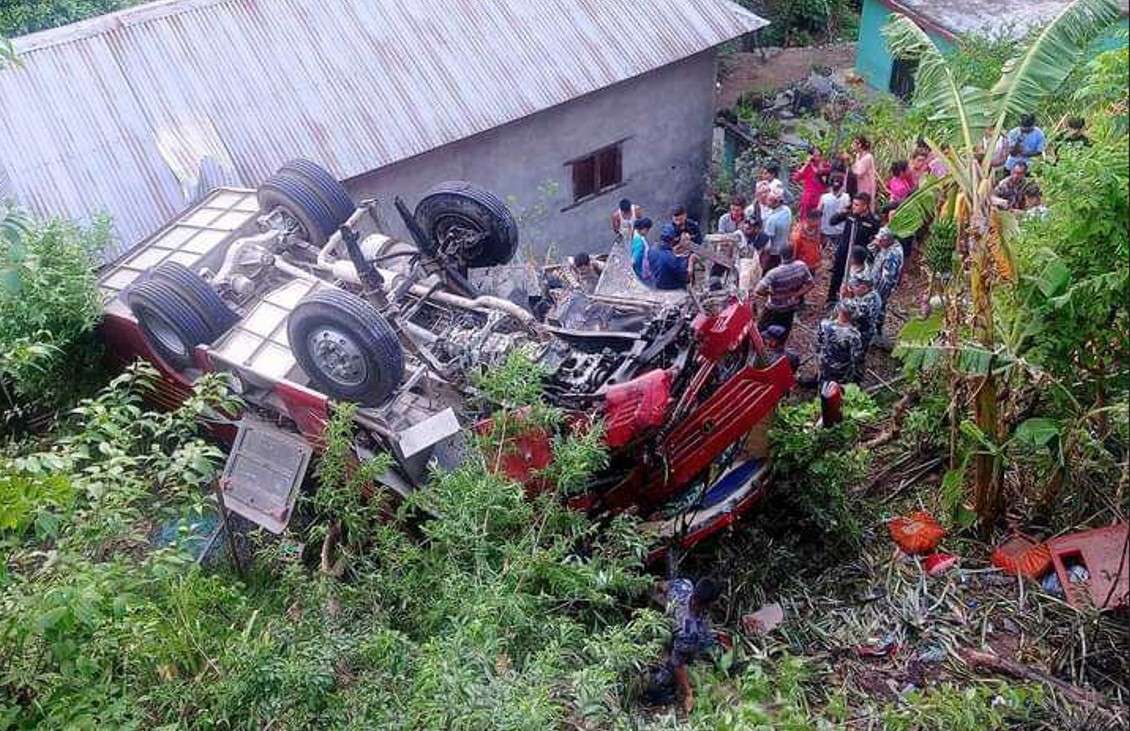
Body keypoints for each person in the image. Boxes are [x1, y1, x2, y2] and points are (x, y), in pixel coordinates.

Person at [651, 577, 723, 713]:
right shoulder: (689, 630)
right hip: (670, 639)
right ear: (708, 604)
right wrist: (688, 693)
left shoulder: (683, 586)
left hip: (668, 629)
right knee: (661, 683)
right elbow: (678, 664)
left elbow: (660, 586)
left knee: (709, 644)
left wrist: (655, 604)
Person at [826, 192, 880, 306]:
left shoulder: (873, 221)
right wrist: (842, 212)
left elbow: (875, 241)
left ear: (865, 206)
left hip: (858, 256)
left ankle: (850, 303)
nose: (853, 207)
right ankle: (831, 298)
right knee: (837, 274)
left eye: (857, 205)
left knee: (855, 279)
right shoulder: (849, 214)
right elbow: (832, 221)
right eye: (853, 204)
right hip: (844, 250)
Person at [753, 243, 814, 341]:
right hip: (791, 305)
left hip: (774, 307)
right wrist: (797, 294)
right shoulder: (801, 266)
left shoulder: (774, 273)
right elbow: (811, 284)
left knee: (761, 329)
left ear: (780, 255)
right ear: (793, 254)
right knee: (785, 328)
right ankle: (780, 345)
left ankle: (761, 346)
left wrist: (770, 293)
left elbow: (758, 290)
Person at [869, 227, 904, 348]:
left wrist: (877, 294)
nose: (877, 242)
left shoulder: (892, 255)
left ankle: (875, 332)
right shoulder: (886, 246)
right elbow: (872, 250)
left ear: (887, 240)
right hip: (876, 282)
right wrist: (876, 244)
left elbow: (887, 279)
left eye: (880, 240)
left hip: (881, 288)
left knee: (878, 307)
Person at [816, 302, 863, 384]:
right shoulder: (853, 334)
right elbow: (855, 356)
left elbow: (818, 343)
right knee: (835, 385)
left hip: (824, 361)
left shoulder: (824, 324)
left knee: (823, 379)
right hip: (840, 368)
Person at [841, 272, 882, 352]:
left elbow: (849, 310)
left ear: (864, 288)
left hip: (863, 332)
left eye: (855, 286)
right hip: (861, 328)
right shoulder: (868, 293)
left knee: (857, 353)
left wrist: (844, 297)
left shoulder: (869, 301)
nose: (852, 288)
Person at [649, 226, 695, 290]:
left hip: (657, 286)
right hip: (672, 290)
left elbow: (663, 256)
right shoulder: (673, 259)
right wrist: (691, 261)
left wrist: (673, 250)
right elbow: (686, 277)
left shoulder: (652, 250)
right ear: (674, 239)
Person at [760, 192, 792, 272]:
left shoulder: (772, 220)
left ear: (774, 203)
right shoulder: (787, 210)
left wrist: (762, 264)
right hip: (784, 248)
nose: (765, 201)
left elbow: (768, 244)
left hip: (773, 253)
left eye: (767, 200)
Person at [792, 149, 828, 220]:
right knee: (804, 220)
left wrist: (820, 165)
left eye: (819, 155)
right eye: (815, 156)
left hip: (819, 199)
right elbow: (796, 178)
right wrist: (806, 164)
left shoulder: (825, 166)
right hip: (807, 199)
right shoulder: (807, 167)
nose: (817, 158)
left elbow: (825, 178)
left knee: (817, 220)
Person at [818, 175, 850, 251]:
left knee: (825, 253)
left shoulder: (824, 197)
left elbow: (818, 212)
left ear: (830, 186)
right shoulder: (847, 197)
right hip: (840, 232)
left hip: (826, 231)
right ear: (842, 186)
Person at [790, 208, 823, 275]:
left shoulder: (816, 230)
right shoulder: (798, 236)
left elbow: (817, 246)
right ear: (808, 219)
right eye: (816, 220)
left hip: (813, 266)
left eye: (819, 220)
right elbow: (794, 254)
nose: (819, 222)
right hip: (801, 268)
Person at [851, 136, 877, 210]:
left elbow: (859, 172)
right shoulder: (857, 156)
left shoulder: (868, 157)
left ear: (860, 145)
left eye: (854, 143)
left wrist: (851, 168)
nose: (852, 145)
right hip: (860, 184)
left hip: (867, 185)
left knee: (866, 204)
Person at [631, 217, 654, 283]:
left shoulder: (635, 234)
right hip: (641, 269)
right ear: (644, 229)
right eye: (647, 230)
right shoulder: (639, 244)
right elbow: (634, 261)